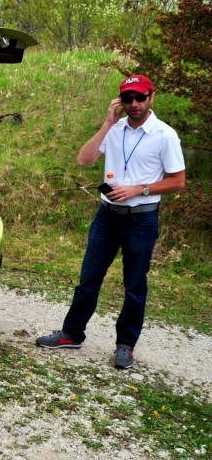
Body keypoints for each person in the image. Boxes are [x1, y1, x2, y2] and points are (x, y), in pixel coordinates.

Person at [36, 74, 186, 369]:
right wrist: (106, 123)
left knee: (134, 286)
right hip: (107, 217)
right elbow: (84, 160)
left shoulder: (164, 135)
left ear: (151, 97)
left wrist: (139, 189)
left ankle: (125, 346)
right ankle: (71, 333)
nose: (133, 104)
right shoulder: (114, 129)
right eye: (127, 98)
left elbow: (178, 182)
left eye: (140, 97)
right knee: (89, 278)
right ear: (120, 100)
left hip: (141, 219)